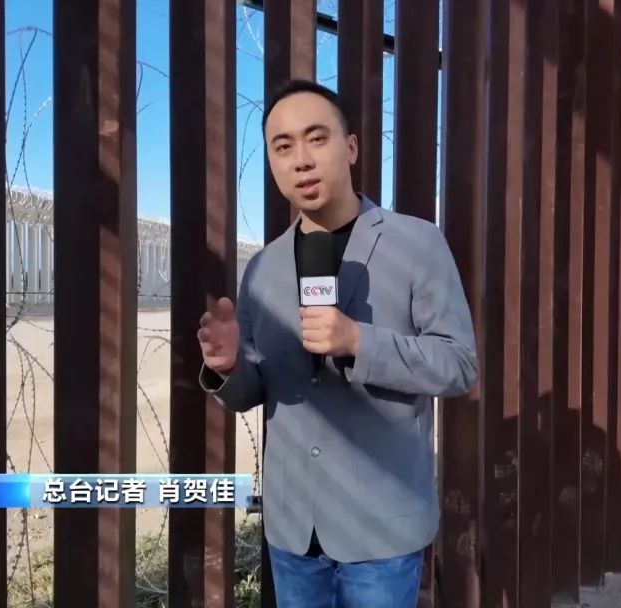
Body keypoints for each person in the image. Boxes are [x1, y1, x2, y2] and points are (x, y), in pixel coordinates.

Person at [197, 78, 478, 608]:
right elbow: (252, 392)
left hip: (382, 529)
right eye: (283, 146)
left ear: (350, 148)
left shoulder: (417, 243)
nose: (301, 160)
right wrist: (228, 368)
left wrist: (357, 341)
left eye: (316, 138)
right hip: (294, 530)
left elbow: (459, 364)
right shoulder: (263, 268)